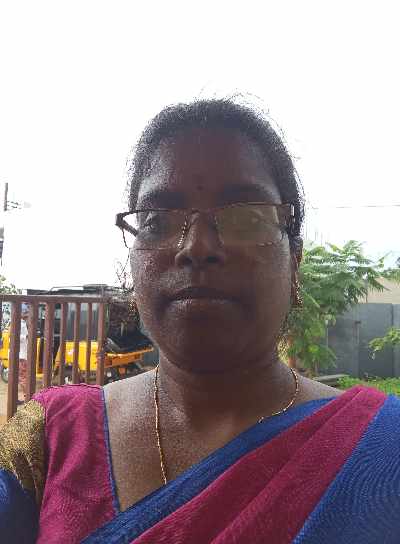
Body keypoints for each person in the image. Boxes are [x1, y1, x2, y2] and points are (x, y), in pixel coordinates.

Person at [1, 99, 400, 544]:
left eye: (246, 217)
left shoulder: (385, 449)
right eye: (158, 220)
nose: (197, 247)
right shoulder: (52, 440)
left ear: (295, 263)